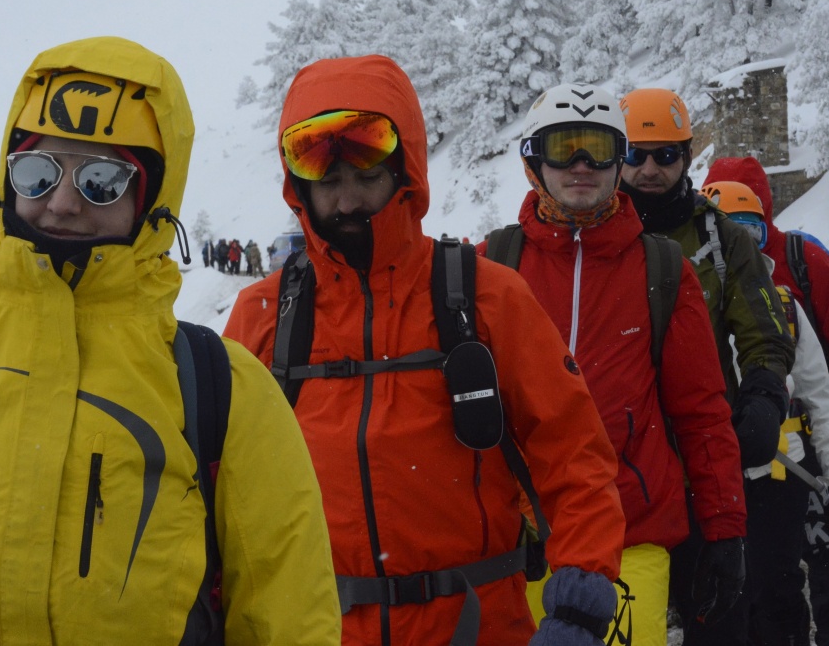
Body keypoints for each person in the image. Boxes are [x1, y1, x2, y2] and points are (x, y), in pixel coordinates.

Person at [0, 36, 340, 645]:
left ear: (150, 200)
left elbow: (288, 622)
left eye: (101, 180)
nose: (60, 203)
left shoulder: (225, 390)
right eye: (37, 173)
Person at [226, 55, 629, 646]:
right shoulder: (264, 316)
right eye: (329, 183)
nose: (348, 202)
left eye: (367, 177)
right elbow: (220, 491)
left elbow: (573, 454)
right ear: (300, 189)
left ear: (405, 172)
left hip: (477, 625)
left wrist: (578, 608)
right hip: (319, 629)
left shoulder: (485, 296)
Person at [482, 83, 748, 646]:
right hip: (517, 538)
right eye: (564, 148)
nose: (582, 165)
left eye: (599, 149)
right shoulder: (494, 264)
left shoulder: (662, 269)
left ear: (619, 159)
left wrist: (724, 529)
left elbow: (702, 411)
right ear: (533, 159)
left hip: (632, 531)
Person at [615, 88, 795, 642]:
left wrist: (764, 395)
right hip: (617, 469)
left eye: (666, 155)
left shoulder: (723, 240)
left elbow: (766, 334)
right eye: (636, 155)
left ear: (688, 155)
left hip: (702, 462)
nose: (650, 170)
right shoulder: (589, 237)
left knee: (717, 616)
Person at [703, 157, 829, 646]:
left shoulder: (794, 279)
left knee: (811, 560)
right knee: (740, 588)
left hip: (793, 459)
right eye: (726, 230)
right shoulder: (686, 294)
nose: (738, 242)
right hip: (721, 470)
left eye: (750, 229)